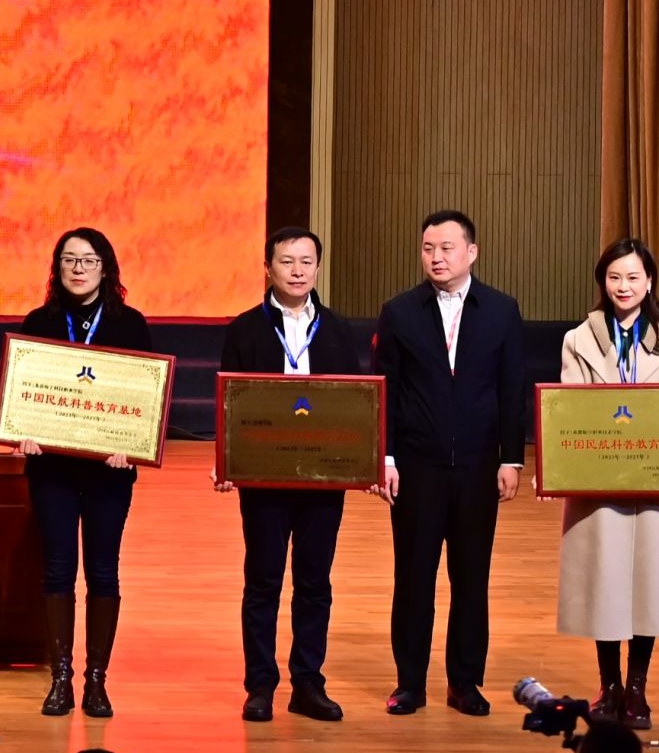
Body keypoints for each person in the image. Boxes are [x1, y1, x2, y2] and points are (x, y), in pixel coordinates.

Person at [375, 207, 527, 716]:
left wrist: (512, 459)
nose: (436, 257)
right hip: (416, 467)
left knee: (471, 578)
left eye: (446, 248)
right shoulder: (399, 312)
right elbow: (387, 390)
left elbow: (511, 390)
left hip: (480, 468)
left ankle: (464, 681)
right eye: (428, 249)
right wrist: (386, 457)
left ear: (471, 252)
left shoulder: (502, 310)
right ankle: (409, 683)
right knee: (413, 578)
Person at [216, 224, 361, 724]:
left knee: (315, 582)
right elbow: (230, 402)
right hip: (264, 478)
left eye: (306, 262)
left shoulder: (338, 329)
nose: (297, 271)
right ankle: (259, 686)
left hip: (323, 479)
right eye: (286, 261)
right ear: (268, 268)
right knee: (262, 581)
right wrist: (228, 463)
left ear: (317, 268)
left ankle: (308, 683)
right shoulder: (244, 329)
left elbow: (353, 402)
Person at [16, 227, 155, 720]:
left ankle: (97, 681)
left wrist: (131, 446)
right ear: (57, 268)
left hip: (108, 474)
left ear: (105, 268)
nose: (78, 269)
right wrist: (24, 432)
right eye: (69, 260)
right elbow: (23, 393)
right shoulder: (39, 322)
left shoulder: (129, 325)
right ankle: (61, 679)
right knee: (57, 569)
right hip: (51, 469)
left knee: (102, 570)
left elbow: (145, 397)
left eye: (88, 260)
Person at [557, 237, 659, 730]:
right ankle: (609, 686)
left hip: (655, 483)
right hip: (599, 485)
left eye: (633, 277)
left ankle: (637, 690)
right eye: (614, 277)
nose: (623, 286)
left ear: (649, 281)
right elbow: (568, 412)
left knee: (647, 588)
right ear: (603, 281)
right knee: (605, 584)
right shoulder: (579, 339)